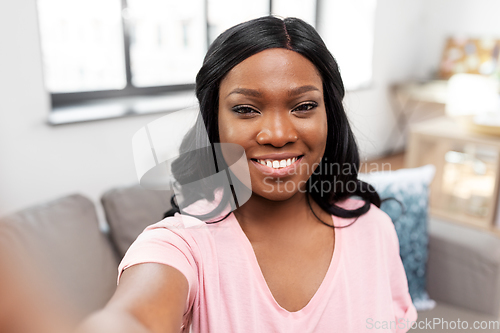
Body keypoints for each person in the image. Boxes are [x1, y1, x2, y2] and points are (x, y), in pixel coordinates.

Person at [78, 16, 417, 333]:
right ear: (215, 123)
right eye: (245, 109)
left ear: (329, 115)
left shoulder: (373, 228)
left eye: (303, 106)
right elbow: (129, 318)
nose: (277, 134)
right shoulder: (181, 246)